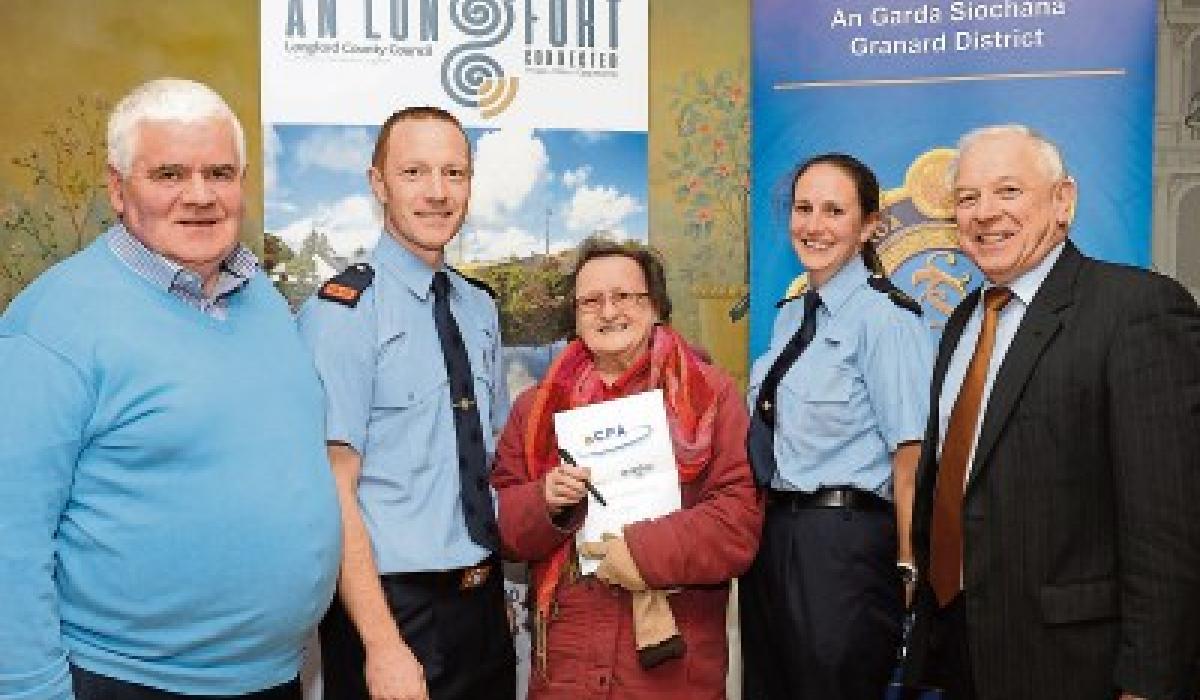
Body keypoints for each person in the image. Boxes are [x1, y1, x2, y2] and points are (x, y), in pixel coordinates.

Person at [0, 78, 342, 699]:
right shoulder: (52, 324)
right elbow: (9, 539)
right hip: (124, 681)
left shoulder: (262, 299)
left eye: (220, 173)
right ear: (117, 188)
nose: (200, 196)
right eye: (169, 175)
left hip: (272, 678)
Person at [903, 124, 1200, 700]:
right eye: (967, 197)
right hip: (960, 649)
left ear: (1063, 201)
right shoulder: (962, 322)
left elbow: (1168, 527)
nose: (984, 213)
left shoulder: (1136, 310)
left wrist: (1150, 683)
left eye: (1008, 191)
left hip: (1073, 664)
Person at [297, 106, 515, 700]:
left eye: (454, 172)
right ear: (379, 184)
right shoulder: (343, 313)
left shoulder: (479, 308)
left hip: (483, 604)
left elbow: (491, 459)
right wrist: (382, 644)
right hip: (393, 609)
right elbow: (333, 490)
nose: (437, 192)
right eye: (414, 172)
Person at [490, 236, 762, 699]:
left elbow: (737, 523)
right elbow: (505, 525)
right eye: (591, 301)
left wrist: (637, 551)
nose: (608, 311)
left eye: (624, 296)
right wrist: (546, 502)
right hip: (567, 667)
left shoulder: (709, 396)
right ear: (575, 316)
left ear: (654, 306)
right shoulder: (536, 411)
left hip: (670, 668)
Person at [740, 153, 933, 700]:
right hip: (773, 536)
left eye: (834, 210)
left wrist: (908, 563)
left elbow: (912, 457)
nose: (814, 225)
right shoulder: (789, 315)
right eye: (803, 209)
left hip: (844, 546)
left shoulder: (887, 319)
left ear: (869, 226)